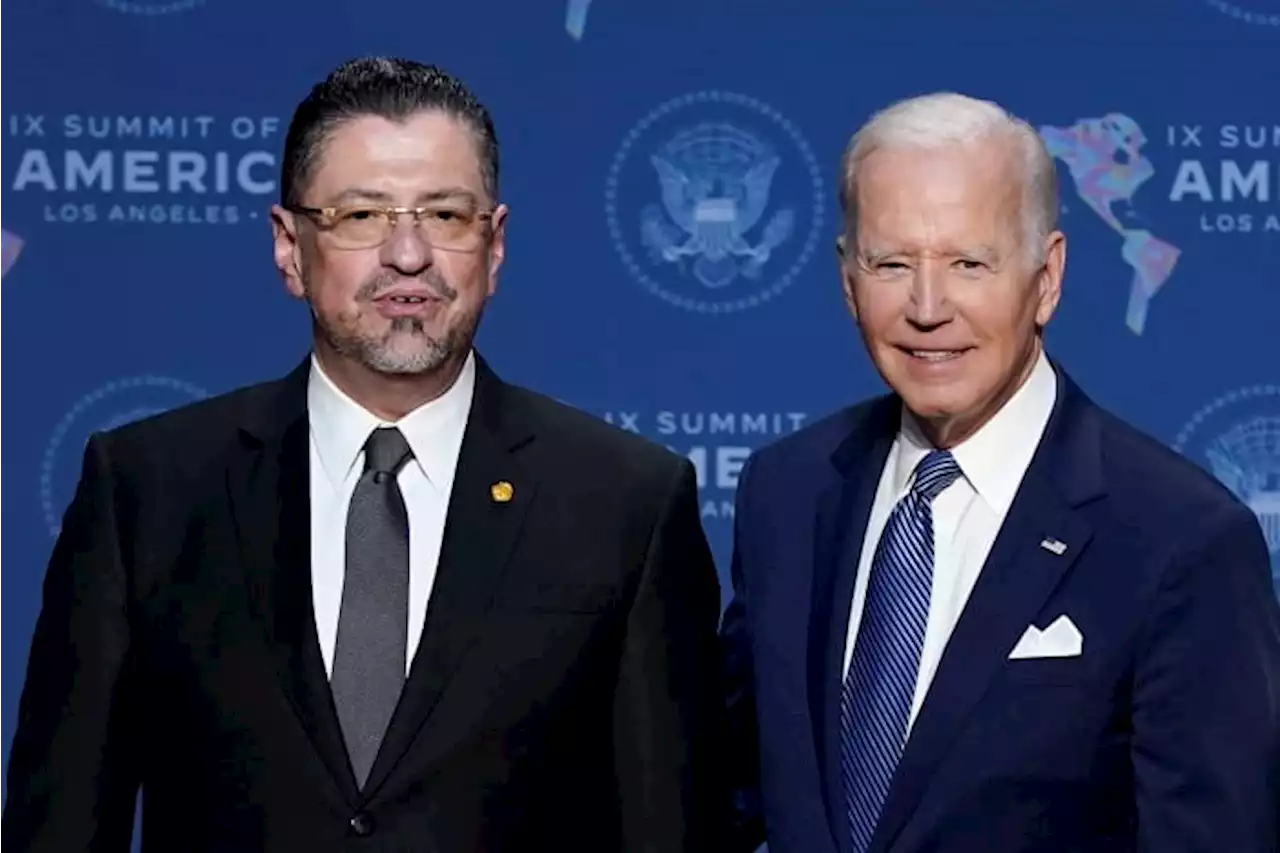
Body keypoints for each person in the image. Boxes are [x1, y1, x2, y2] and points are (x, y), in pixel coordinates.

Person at [0, 57, 725, 852]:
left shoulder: (626, 500)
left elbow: (670, 829)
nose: (407, 255)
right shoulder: (148, 489)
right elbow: (61, 825)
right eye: (361, 216)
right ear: (289, 247)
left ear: (495, 244)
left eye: (446, 216)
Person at [720, 91, 1280, 853]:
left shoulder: (1180, 539)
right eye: (892, 263)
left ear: (1045, 276)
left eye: (967, 263)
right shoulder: (786, 492)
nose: (927, 306)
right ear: (848, 279)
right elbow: (724, 793)